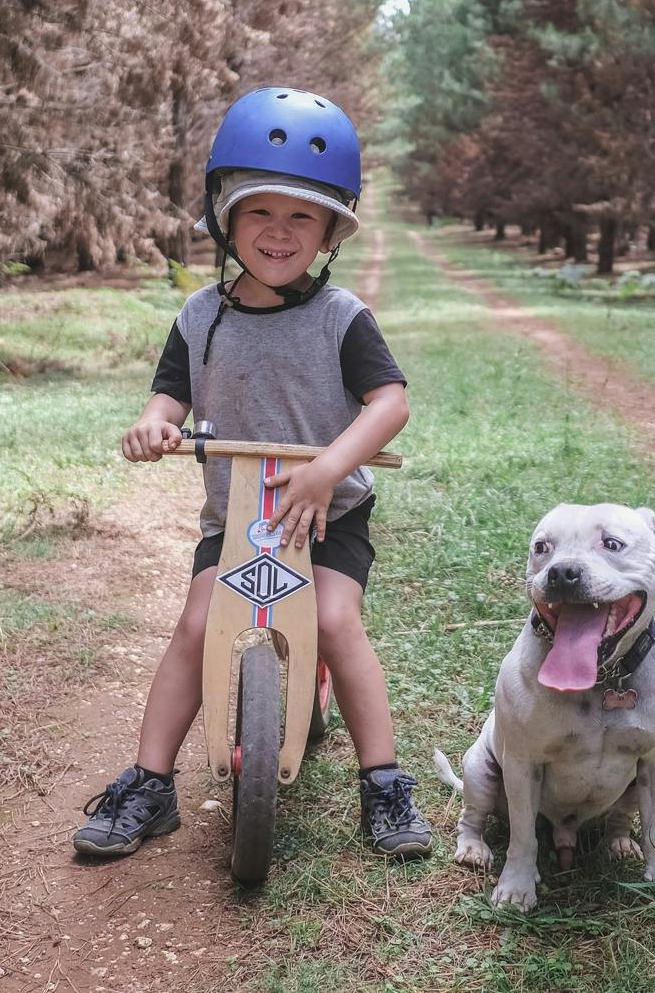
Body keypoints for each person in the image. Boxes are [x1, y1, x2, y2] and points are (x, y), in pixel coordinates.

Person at [72, 87, 433, 861]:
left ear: (332, 229)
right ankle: (149, 781)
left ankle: (384, 783)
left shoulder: (341, 317)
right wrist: (155, 423)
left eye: (302, 215)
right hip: (236, 520)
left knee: (334, 623)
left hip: (327, 516)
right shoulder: (200, 317)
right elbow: (170, 394)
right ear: (224, 220)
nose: (279, 230)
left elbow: (389, 403)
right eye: (259, 211)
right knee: (200, 625)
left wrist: (331, 466)